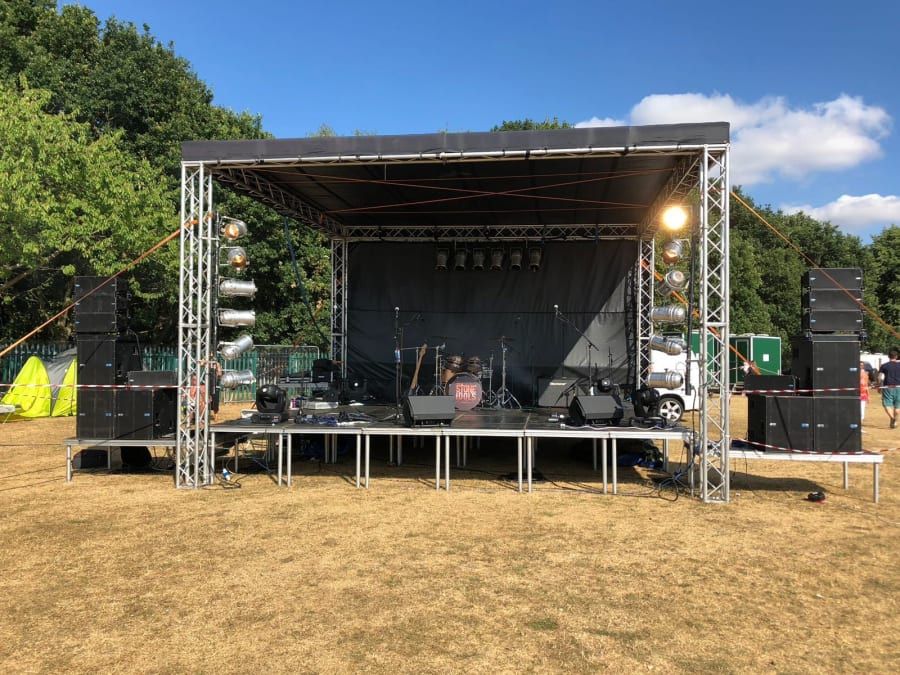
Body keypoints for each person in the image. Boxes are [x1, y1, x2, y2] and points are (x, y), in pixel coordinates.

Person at [878, 349, 900, 429]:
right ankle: (894, 421)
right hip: (899, 387)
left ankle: (892, 418)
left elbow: (879, 377)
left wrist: (879, 386)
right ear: (896, 356)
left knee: (887, 404)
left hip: (888, 387)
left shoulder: (884, 365)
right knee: (897, 406)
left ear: (888, 356)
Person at [859, 361, 869, 426]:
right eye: (860, 365)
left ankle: (860, 424)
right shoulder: (864, 373)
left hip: (863, 393)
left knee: (862, 409)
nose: (861, 366)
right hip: (857, 393)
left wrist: (868, 395)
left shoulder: (865, 374)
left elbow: (866, 385)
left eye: (862, 365)